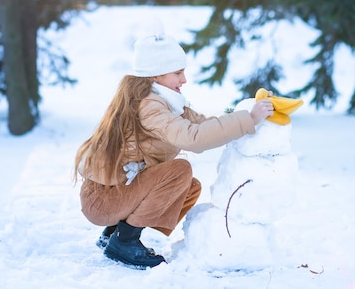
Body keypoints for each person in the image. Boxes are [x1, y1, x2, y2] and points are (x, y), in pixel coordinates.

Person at [73, 26, 274, 269]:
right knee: (179, 170)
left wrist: (244, 116)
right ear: (156, 75)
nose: (184, 79)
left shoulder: (167, 102)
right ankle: (124, 242)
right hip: (103, 199)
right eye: (178, 73)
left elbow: (203, 124)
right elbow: (194, 137)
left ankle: (114, 233)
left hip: (114, 194)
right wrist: (247, 120)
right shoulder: (150, 106)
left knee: (189, 188)